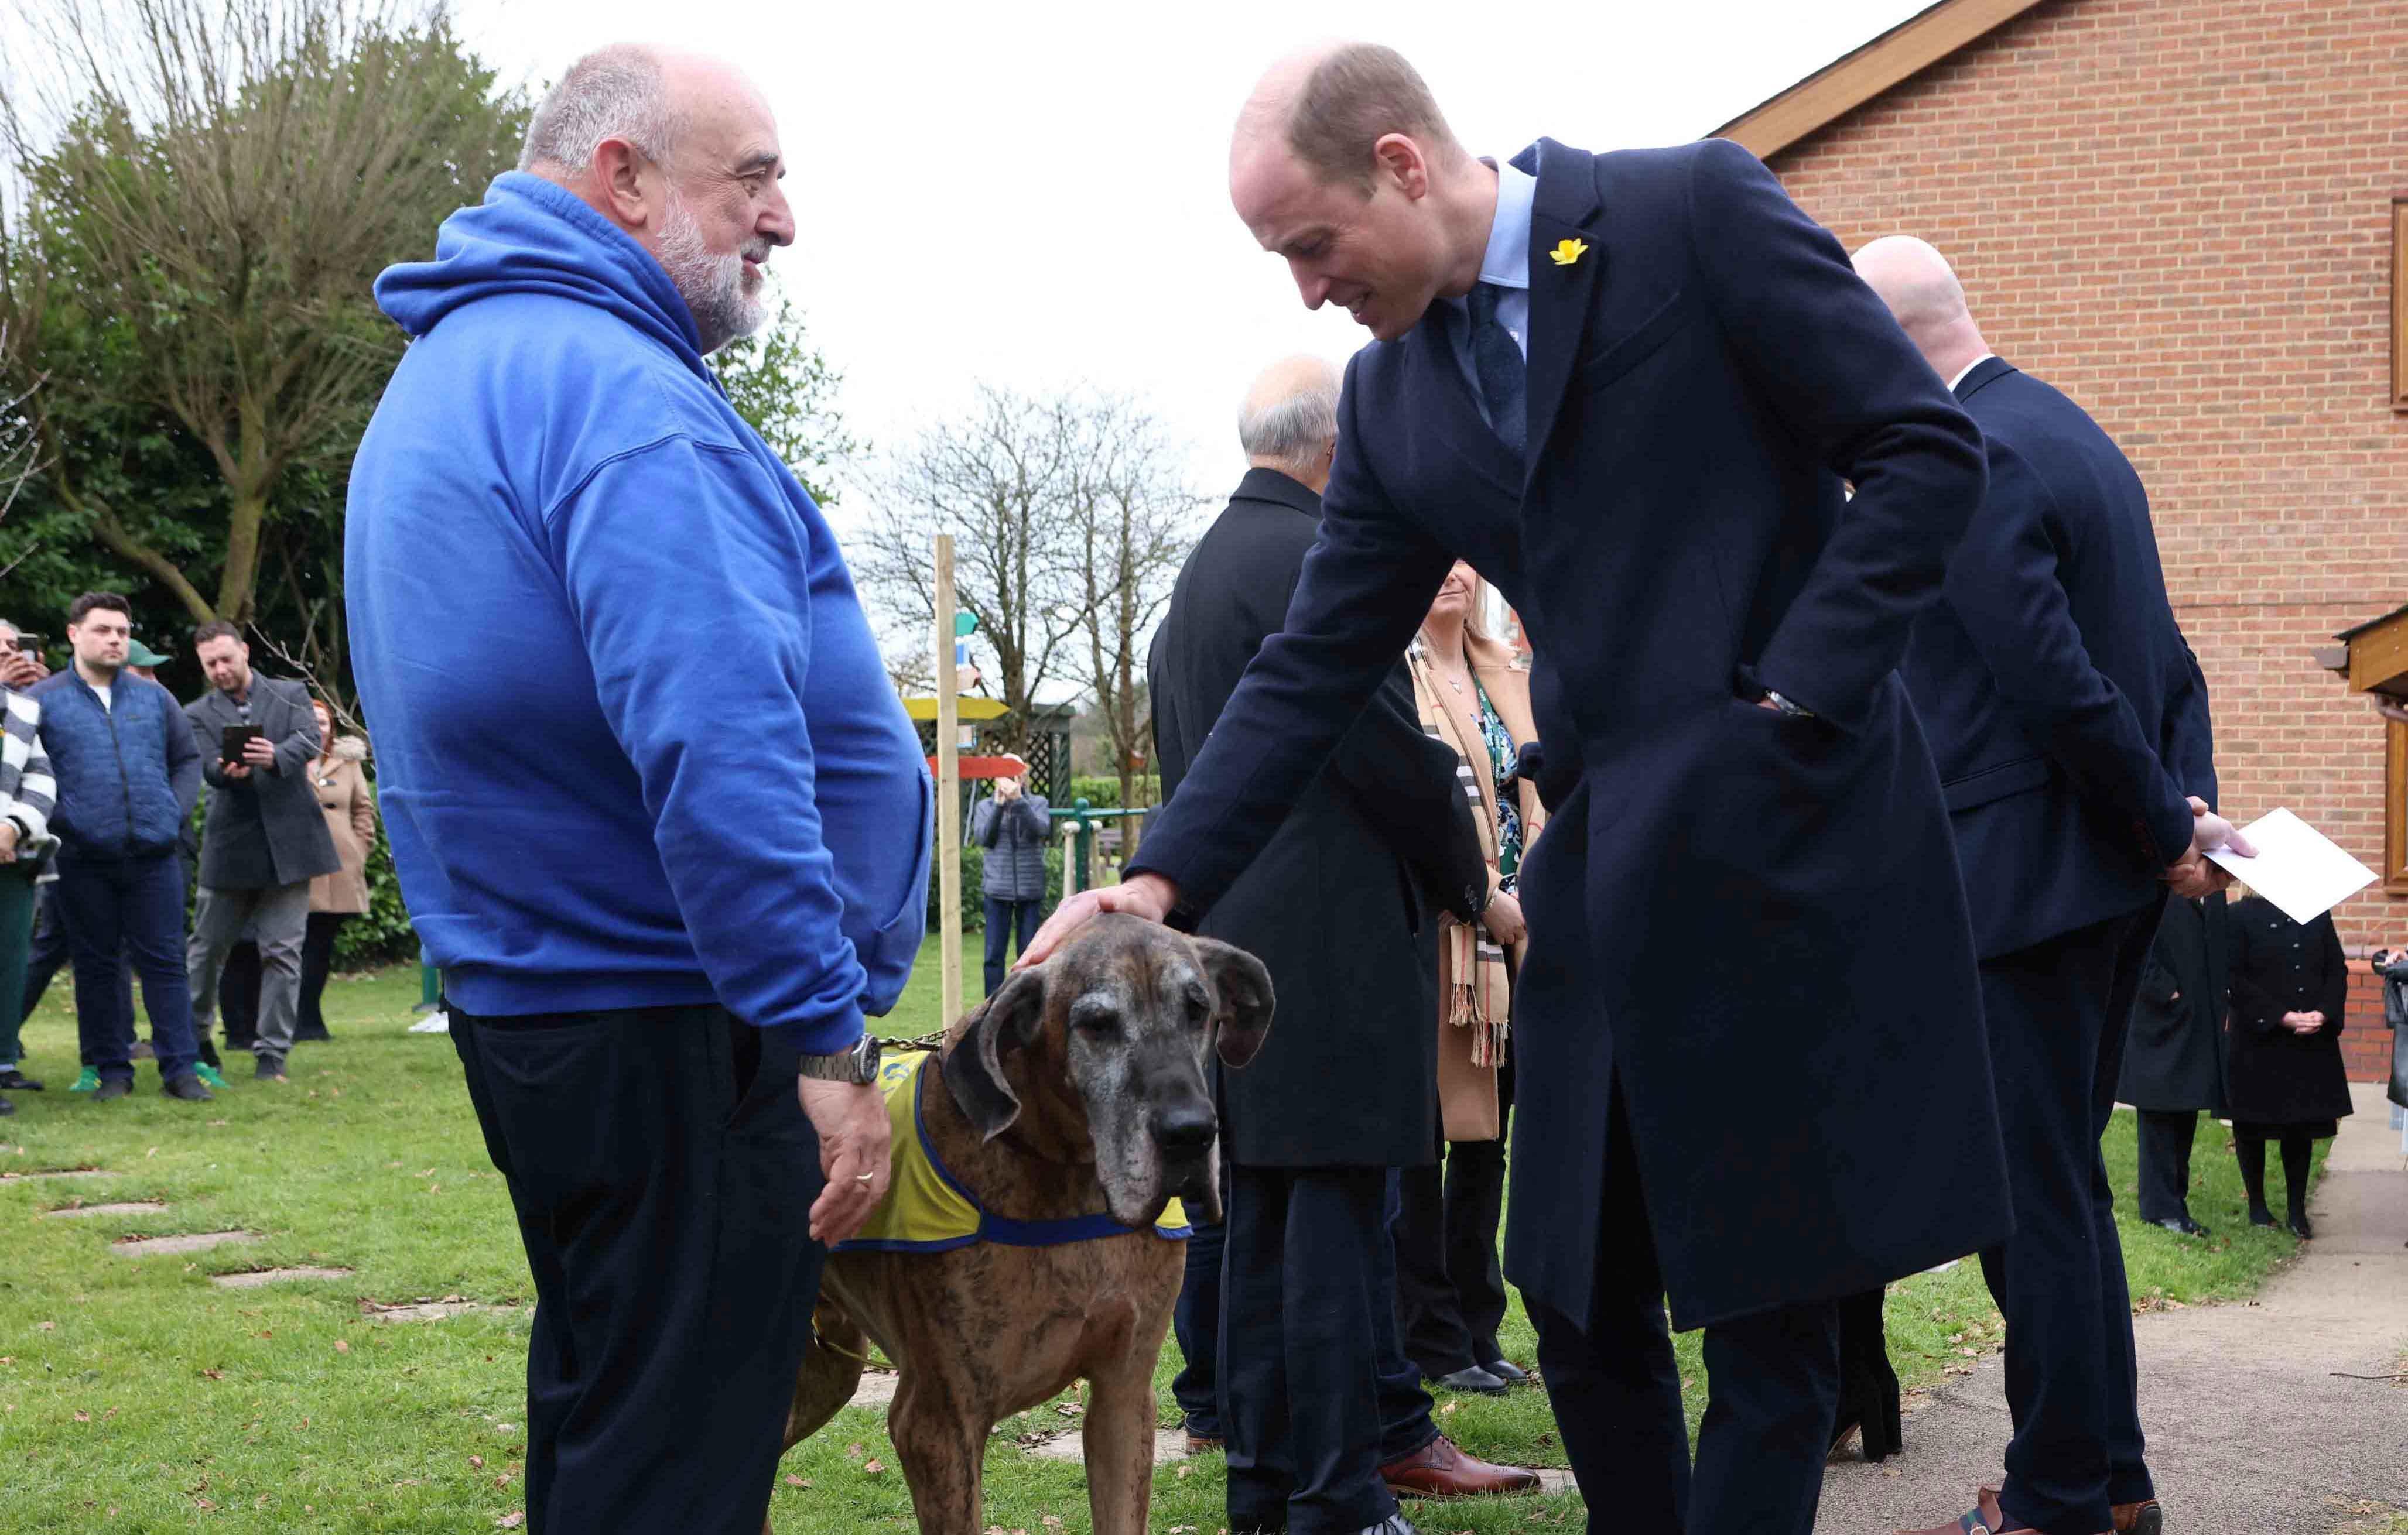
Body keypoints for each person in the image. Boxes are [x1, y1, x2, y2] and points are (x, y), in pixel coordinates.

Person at [1029, 44, 2019, 1535]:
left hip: (1778, 845)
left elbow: (1925, 449)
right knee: (1568, 1289)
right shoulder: (1396, 400)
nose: (1303, 289)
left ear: (1404, 165)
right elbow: (1308, 666)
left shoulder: (1689, 214)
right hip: (1603, 871)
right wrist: (1154, 878)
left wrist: (1789, 696)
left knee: (1768, 1318)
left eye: (1311, 242)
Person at [346, 44, 926, 1534]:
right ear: (622, 174)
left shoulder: (460, 371)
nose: (782, 218)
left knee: (614, 1402)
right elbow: (717, 743)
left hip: (552, 1006)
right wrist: (820, 1029)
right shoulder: (612, 394)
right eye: (754, 176)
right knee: (674, 1452)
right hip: (681, 1014)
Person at [1857, 235, 2242, 1535]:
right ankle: (2108, 1478)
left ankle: (2058, 1495)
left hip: (2025, 885)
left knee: (2032, 1204)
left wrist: (2157, 830)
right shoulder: (2074, 435)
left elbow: (2055, 683)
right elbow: (2168, 662)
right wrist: (2180, 813)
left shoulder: (1964, 457)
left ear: (1891, 340)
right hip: (2098, 881)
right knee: (2061, 1193)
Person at [1150, 355, 1529, 1535]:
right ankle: (1335, 1494)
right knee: (1327, 1236)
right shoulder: (1316, 564)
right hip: (1330, 948)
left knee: (1264, 1231)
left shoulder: (1204, 572)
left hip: (1236, 949)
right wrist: (1477, 885)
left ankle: (1267, 1486)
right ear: (1334, 450)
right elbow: (1385, 754)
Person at [1393, 560, 1542, 1396]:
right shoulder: (1400, 670)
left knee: (1490, 1141)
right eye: (1433, 554)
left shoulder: (1507, 673)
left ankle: (1479, 1329)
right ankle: (1432, 1336)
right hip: (1445, 935)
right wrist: (1483, 897)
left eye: (1462, 557)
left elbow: (1539, 793)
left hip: (1519, 941)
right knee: (1428, 1142)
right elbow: (1420, 810)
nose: (1448, 571)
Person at [27, 594, 211, 1103]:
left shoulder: (156, 699)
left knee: (167, 962)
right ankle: (112, 1070)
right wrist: (65, 821)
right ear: (74, 634)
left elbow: (187, 759)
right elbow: (28, 771)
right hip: (81, 858)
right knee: (96, 966)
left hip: (155, 855)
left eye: (122, 631)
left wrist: (172, 812)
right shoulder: (43, 699)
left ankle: (181, 1069)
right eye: (104, 630)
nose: (115, 640)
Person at [182, 621, 341, 1083]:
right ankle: (194, 1041)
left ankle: (272, 1056)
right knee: (206, 950)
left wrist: (276, 757)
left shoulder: (291, 692)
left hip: (292, 845)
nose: (219, 669)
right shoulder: (196, 713)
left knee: (283, 953)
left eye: (226, 659)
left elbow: (312, 738)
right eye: (210, 663)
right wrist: (223, 770)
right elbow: (204, 765)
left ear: (245, 652)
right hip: (230, 846)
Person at [216, 698, 378, 1043]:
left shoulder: (347, 762)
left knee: (320, 947)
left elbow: (364, 810)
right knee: (284, 947)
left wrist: (360, 848)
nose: (319, 727)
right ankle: (273, 1021)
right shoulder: (281, 758)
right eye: (312, 721)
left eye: (324, 722)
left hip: (338, 870)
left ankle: (309, 1019)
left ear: (332, 727)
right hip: (293, 867)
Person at [2224, 893, 2352, 1241]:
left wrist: (2323, 1013)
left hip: (2309, 1040)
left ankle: (2297, 1210)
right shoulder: (2238, 915)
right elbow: (2232, 977)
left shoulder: (2316, 914)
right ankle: (2259, 1208)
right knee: (2251, 1125)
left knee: (2301, 1126)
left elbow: (2336, 969)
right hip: (2258, 1038)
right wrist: (2281, 1016)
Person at [2122, 892, 2233, 1236]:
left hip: (2199, 1019)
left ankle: (2176, 1200)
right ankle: (2159, 1208)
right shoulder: (2155, 887)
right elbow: (2134, 944)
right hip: (2161, 1019)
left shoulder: (2214, 896)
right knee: (2158, 1113)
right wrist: (2164, 990)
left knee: (2185, 1110)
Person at [0, 620, 59, 1111]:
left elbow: (40, 778)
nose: (8, 655)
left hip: (11, 857)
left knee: (10, 963)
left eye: (11, 646)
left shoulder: (23, 709)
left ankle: (2, 1062)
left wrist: (14, 826)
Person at [967, 772, 1049, 996]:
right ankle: (991, 1006)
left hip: (1030, 888)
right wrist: (999, 807)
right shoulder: (985, 806)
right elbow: (984, 839)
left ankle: (1028, 1005)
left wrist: (1019, 802)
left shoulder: (1038, 803)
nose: (1011, 780)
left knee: (1030, 954)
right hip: (997, 888)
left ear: (1024, 777)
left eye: (1016, 774)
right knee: (993, 956)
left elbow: (1040, 830)